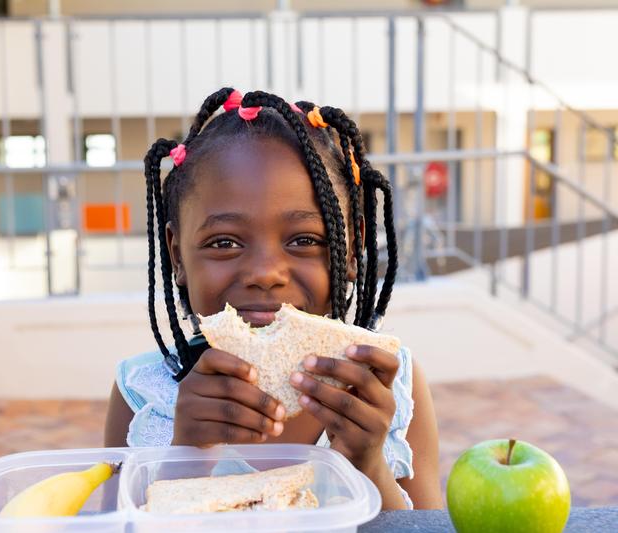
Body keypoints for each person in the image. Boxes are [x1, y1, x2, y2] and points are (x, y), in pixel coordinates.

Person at [104, 88, 442, 509]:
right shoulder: (144, 395)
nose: (266, 273)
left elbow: (426, 523)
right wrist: (187, 456)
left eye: (304, 240)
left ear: (351, 251)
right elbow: (117, 523)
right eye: (224, 242)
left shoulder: (391, 389)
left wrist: (368, 463)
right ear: (177, 256)